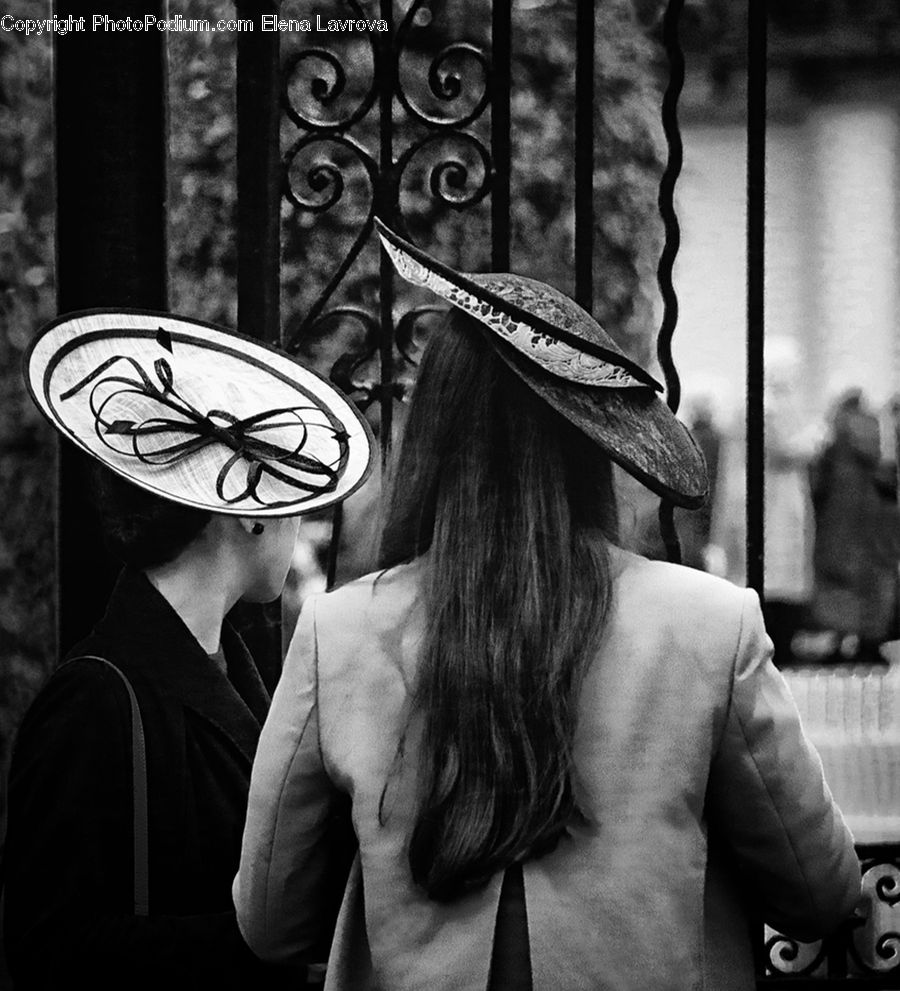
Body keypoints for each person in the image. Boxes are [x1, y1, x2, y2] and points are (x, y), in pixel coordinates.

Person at [234, 223, 861, 991]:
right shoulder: (710, 624)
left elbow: (271, 919)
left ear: (434, 433)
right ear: (590, 446)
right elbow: (820, 890)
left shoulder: (342, 631)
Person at [2, 310, 373, 989]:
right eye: (293, 490)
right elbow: (46, 949)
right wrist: (265, 940)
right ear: (251, 506)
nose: (301, 518)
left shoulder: (238, 666)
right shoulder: (93, 698)